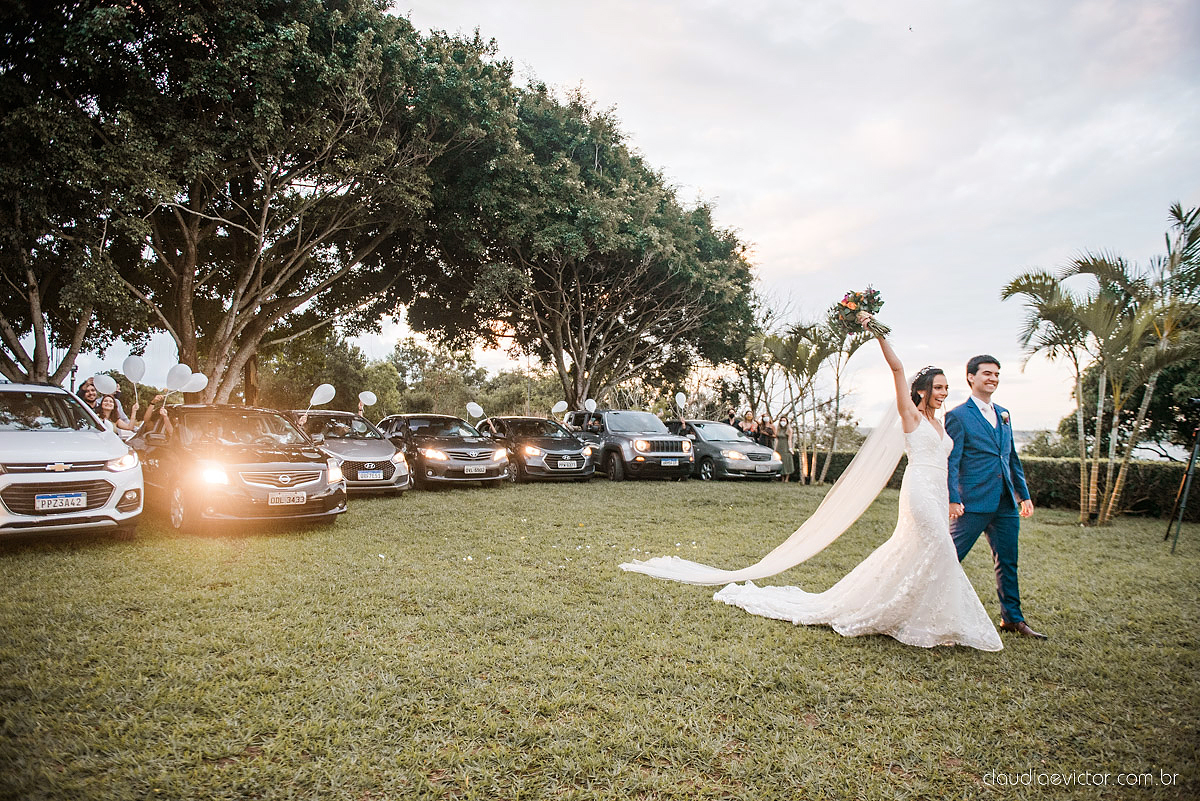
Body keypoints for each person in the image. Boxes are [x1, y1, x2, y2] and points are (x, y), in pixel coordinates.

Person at [622, 315, 1003, 651]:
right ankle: (937, 620)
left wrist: (954, 495)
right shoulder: (911, 416)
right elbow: (898, 369)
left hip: (938, 494)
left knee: (919, 551)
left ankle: (917, 616)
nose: (944, 391)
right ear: (923, 390)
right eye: (938, 386)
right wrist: (876, 331)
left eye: (946, 387)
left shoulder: (943, 422)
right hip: (919, 490)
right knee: (941, 548)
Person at [946, 356, 1045, 639]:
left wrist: (1023, 495)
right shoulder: (958, 415)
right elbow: (953, 461)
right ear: (970, 377)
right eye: (987, 373)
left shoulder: (1004, 413)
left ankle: (1012, 619)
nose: (993, 378)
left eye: (997, 374)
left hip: (1005, 503)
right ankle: (921, 608)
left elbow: (1010, 456)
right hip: (972, 502)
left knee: (1008, 561)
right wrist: (953, 498)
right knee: (949, 557)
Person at [776, 416, 795, 482]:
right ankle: (782, 478)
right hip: (779, 447)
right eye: (781, 420)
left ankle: (787, 478)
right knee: (780, 460)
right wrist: (775, 448)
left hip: (786, 446)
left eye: (784, 420)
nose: (782, 422)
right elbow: (776, 439)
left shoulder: (789, 430)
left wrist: (790, 448)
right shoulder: (778, 429)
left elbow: (789, 440)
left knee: (787, 462)